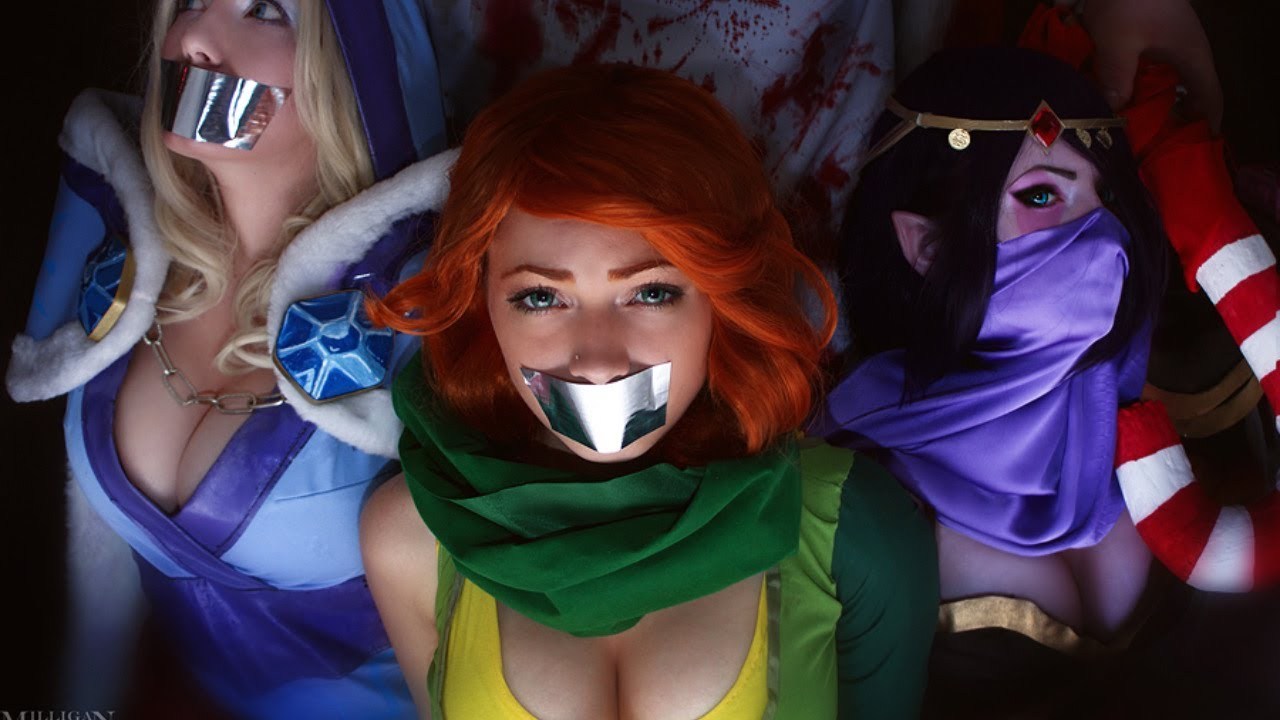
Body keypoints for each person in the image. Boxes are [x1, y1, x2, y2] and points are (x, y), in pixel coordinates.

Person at [361, 63, 939, 719]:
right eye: (541, 297)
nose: (599, 361)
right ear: (481, 306)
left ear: (724, 300)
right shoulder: (409, 536)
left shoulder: (853, 529)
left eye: (651, 292)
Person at [7, 0, 446, 716]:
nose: (193, 39)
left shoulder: (435, 301)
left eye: (263, 10)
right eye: (189, 5)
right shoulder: (120, 247)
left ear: (353, 65)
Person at [821, 46, 1169, 645]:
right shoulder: (859, 479)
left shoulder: (1152, 400)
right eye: (1041, 196)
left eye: (1110, 198)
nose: (1103, 234)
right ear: (927, 246)